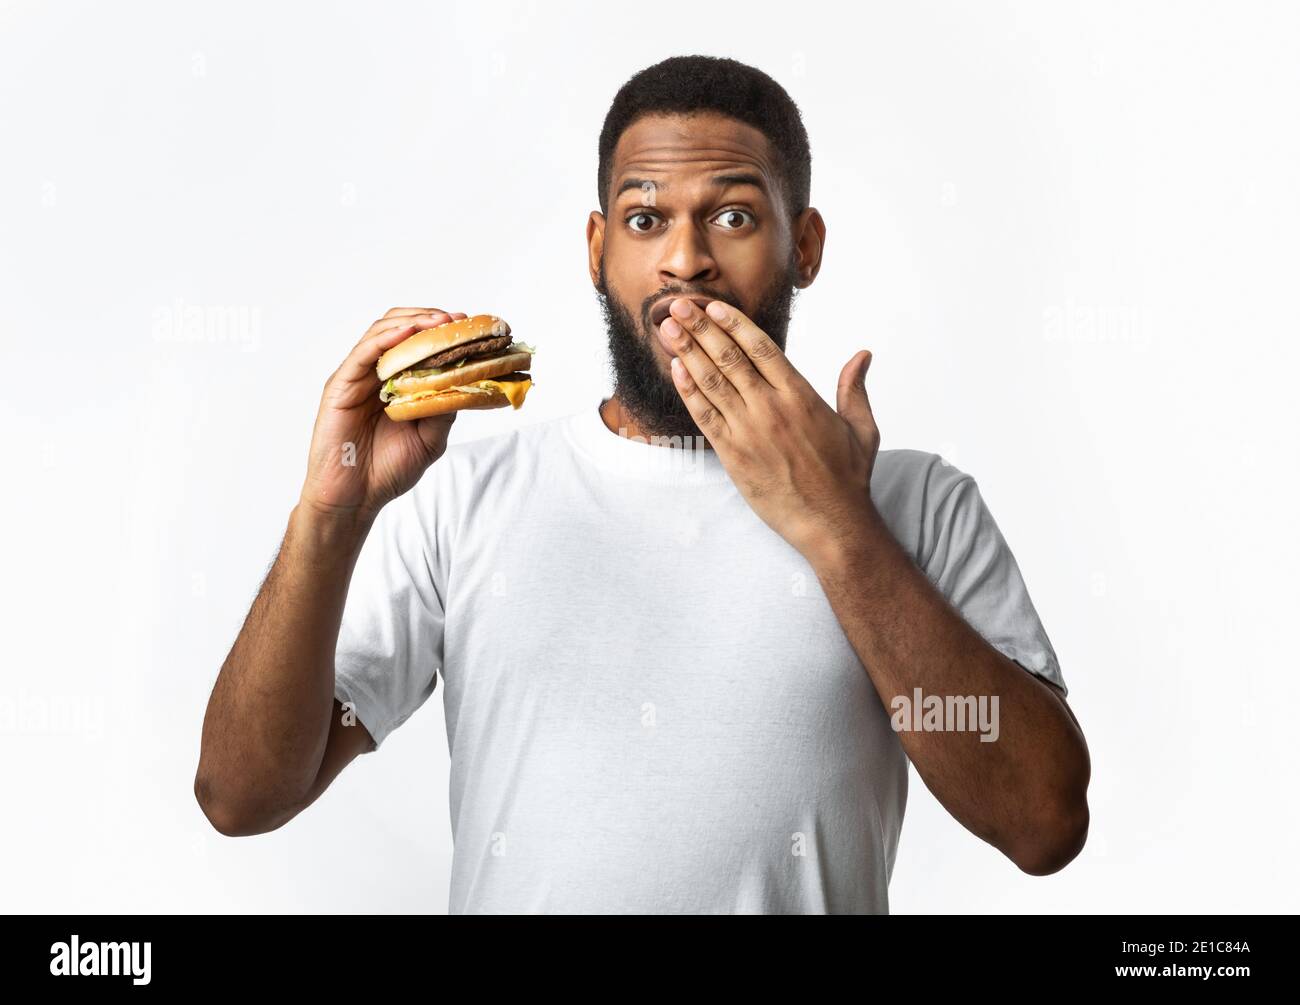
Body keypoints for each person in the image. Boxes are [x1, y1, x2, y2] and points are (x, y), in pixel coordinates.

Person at [195, 54, 1090, 914]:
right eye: (644, 219)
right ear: (597, 247)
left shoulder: (915, 504)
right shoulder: (464, 496)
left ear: (805, 245)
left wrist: (838, 527)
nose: (685, 260)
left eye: (734, 217)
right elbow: (241, 794)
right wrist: (330, 516)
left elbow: (1044, 821)